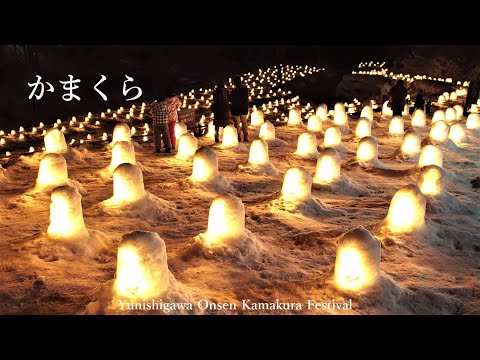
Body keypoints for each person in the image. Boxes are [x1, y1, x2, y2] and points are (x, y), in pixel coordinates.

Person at [149, 89, 172, 153]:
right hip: (164, 122)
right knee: (166, 135)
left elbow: (150, 112)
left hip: (156, 123)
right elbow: (169, 112)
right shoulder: (166, 104)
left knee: (157, 136)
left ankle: (158, 149)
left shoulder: (154, 104)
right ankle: (168, 148)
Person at [229, 75, 249, 142]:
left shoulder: (233, 92)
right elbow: (245, 99)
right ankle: (246, 138)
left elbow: (230, 99)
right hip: (243, 109)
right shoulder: (245, 89)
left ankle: (239, 138)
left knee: (237, 124)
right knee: (244, 123)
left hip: (236, 110)